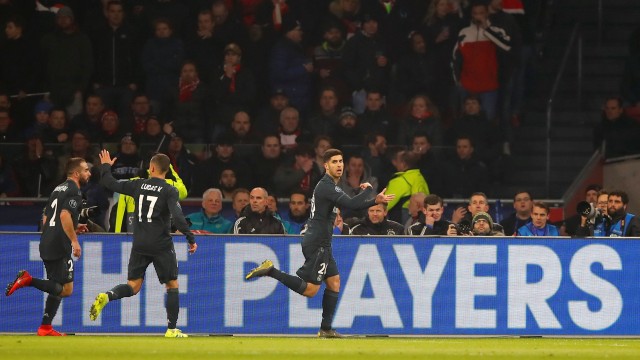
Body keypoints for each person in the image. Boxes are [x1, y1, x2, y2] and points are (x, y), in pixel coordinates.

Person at [245, 148, 394, 338]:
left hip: (322, 241)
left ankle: (326, 329)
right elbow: (352, 205)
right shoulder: (327, 186)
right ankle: (271, 270)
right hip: (318, 241)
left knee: (334, 282)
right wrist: (371, 193)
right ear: (326, 166)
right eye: (334, 162)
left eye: (341, 161)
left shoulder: (331, 186)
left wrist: (373, 199)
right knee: (311, 290)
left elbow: (349, 203)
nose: (339, 165)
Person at [90, 150, 197, 338]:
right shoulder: (170, 190)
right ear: (166, 170)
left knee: (133, 285)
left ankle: (108, 295)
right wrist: (190, 237)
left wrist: (106, 166)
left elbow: (110, 183)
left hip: (139, 243)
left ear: (152, 168)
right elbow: (178, 217)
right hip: (161, 244)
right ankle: (172, 329)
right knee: (172, 284)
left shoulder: (137, 185)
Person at [5, 157, 91, 336]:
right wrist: (74, 240)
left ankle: (45, 327)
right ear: (76, 173)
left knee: (56, 286)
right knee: (66, 289)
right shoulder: (75, 190)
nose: (89, 173)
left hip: (47, 240)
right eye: (85, 170)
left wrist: (72, 227)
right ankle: (28, 280)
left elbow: (46, 216)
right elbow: (65, 215)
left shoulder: (58, 189)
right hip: (60, 243)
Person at [384, 150, 429, 223]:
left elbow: (385, 205)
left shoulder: (400, 181)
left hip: (403, 221)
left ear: (403, 164)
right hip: (422, 218)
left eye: (397, 161)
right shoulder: (421, 178)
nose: (395, 164)